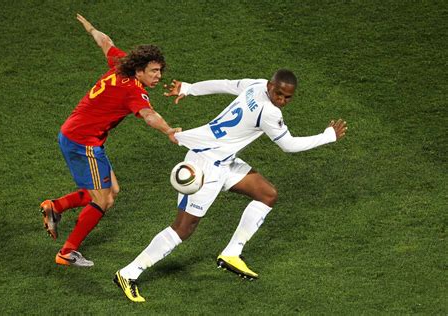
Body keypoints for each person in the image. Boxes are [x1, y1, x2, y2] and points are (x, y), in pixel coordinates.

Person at [113, 70, 348, 302]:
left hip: (224, 161)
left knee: (267, 194)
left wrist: (189, 88)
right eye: (279, 94)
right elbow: (289, 145)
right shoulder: (269, 112)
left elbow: (225, 84)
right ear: (270, 86)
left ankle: (231, 253)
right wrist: (328, 136)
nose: (282, 100)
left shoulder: (255, 85)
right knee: (183, 228)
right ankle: (128, 273)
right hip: (205, 166)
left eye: (288, 97)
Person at [39, 14, 180, 267]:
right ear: (139, 71)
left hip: (76, 135)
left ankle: (55, 206)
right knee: (102, 199)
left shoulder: (120, 64)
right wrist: (169, 131)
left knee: (112, 192)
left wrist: (91, 28)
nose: (158, 76)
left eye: (160, 70)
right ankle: (67, 252)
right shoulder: (134, 90)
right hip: (83, 143)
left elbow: (105, 42)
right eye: (154, 71)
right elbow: (148, 115)